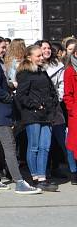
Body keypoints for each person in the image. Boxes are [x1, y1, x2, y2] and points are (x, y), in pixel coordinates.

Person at [0, 36, 41, 194]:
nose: (4, 50)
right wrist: (9, 97)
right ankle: (19, 182)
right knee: (9, 146)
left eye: (5, 47)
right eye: (2, 47)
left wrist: (9, 86)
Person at [15, 45, 59, 192]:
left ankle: (42, 177)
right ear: (29, 57)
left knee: (45, 147)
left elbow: (51, 91)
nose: (42, 57)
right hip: (32, 115)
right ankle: (34, 177)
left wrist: (53, 103)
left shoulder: (42, 71)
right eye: (38, 56)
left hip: (47, 114)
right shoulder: (25, 73)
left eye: (42, 55)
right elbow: (20, 95)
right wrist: (36, 105)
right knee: (34, 146)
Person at [38, 39, 76, 182]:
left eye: (48, 48)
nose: (47, 50)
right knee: (44, 143)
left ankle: (73, 171)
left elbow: (62, 86)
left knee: (65, 141)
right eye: (44, 48)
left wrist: (55, 99)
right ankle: (45, 171)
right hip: (40, 110)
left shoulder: (58, 66)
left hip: (55, 108)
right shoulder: (35, 66)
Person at [63, 47, 77, 184]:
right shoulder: (70, 71)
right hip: (76, 113)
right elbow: (68, 95)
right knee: (73, 144)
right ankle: (74, 172)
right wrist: (73, 110)